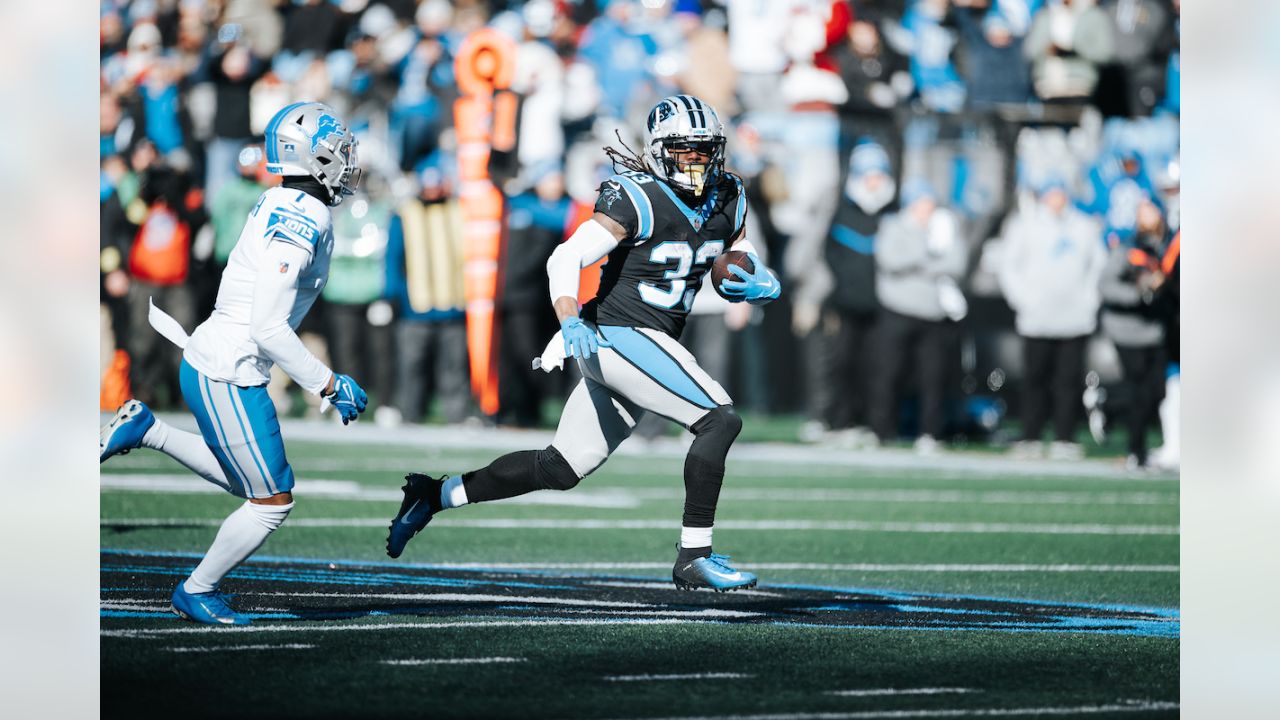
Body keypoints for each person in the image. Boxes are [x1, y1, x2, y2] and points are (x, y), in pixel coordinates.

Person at [386, 95, 781, 592]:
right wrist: (568, 318)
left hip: (642, 344)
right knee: (719, 420)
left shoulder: (729, 196)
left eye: (705, 151)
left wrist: (763, 280)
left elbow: (738, 254)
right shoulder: (637, 197)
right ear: (660, 150)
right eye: (686, 151)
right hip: (616, 336)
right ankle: (693, 555)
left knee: (561, 467)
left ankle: (435, 494)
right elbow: (564, 258)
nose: (697, 161)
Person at [99, 102, 369, 625]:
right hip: (229, 370)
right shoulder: (300, 213)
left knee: (255, 483)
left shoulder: (289, 201)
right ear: (309, 157)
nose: (345, 163)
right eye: (336, 153)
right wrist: (329, 384)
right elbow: (269, 326)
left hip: (220, 360)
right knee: (271, 502)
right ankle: (197, 590)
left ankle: (147, 430)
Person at [997, 177, 1106, 459]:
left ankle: (1064, 438)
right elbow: (1009, 266)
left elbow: (1098, 266)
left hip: (1075, 319)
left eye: (1060, 194)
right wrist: (1023, 300)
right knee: (1035, 379)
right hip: (1037, 319)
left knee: (1068, 381)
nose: (1056, 200)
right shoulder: (1025, 225)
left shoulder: (1084, 227)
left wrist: (1088, 301)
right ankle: (1031, 436)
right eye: (1051, 194)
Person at [868, 180, 967, 453]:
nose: (926, 208)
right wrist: (927, 256)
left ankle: (930, 432)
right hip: (898, 310)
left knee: (933, 377)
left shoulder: (945, 226)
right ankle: (882, 429)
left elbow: (957, 263)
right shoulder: (894, 225)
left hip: (934, 314)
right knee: (889, 373)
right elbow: (890, 260)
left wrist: (917, 262)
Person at [1098, 195, 1169, 470]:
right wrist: (1140, 293)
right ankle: (1136, 450)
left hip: (1155, 329)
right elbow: (1106, 286)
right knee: (1139, 390)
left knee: (1156, 392)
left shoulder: (1167, 246)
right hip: (1127, 329)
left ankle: (1109, 406)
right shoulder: (1129, 249)